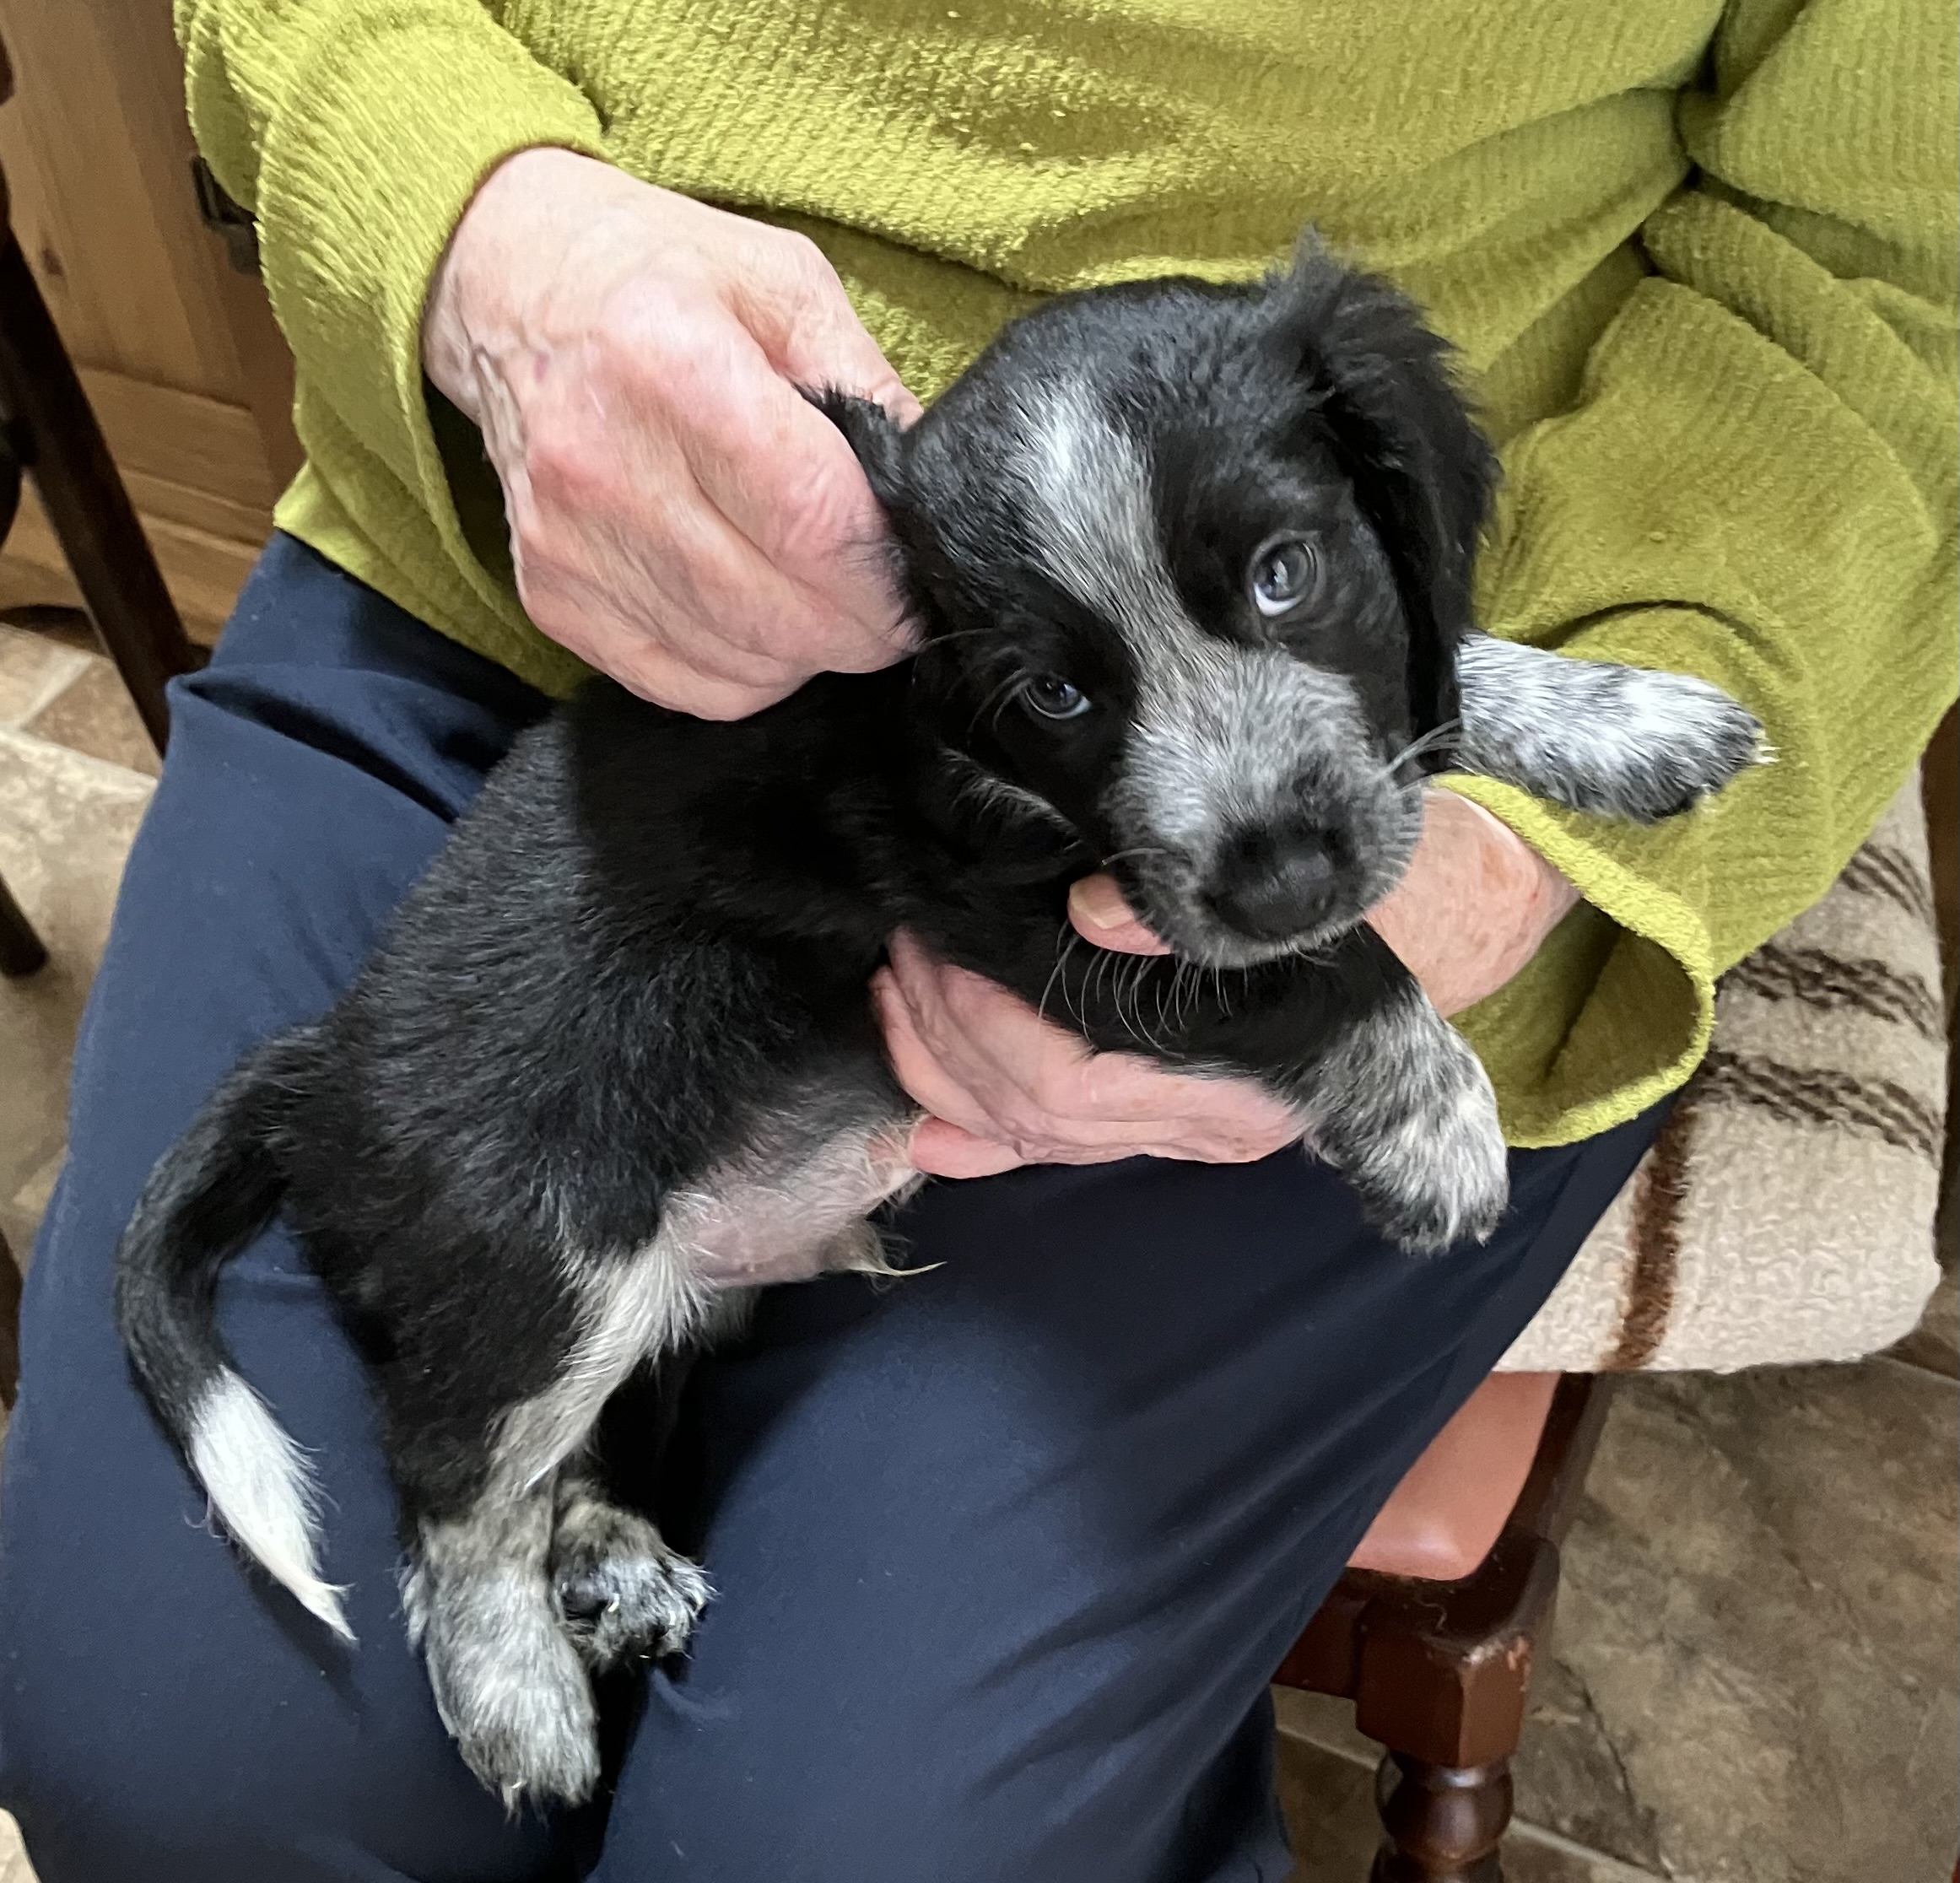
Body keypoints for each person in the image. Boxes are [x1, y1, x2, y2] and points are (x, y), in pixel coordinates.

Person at [0, 3, 1951, 1878]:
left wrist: (1506, 846)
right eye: (1086, 704)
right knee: (181, 1777)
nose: (1246, 821)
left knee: (848, 1847)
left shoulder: (1344, 452)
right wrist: (475, 228)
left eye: (1279, 571)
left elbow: (1897, 274)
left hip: (1095, 814)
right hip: (529, 662)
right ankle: (514, 1519)